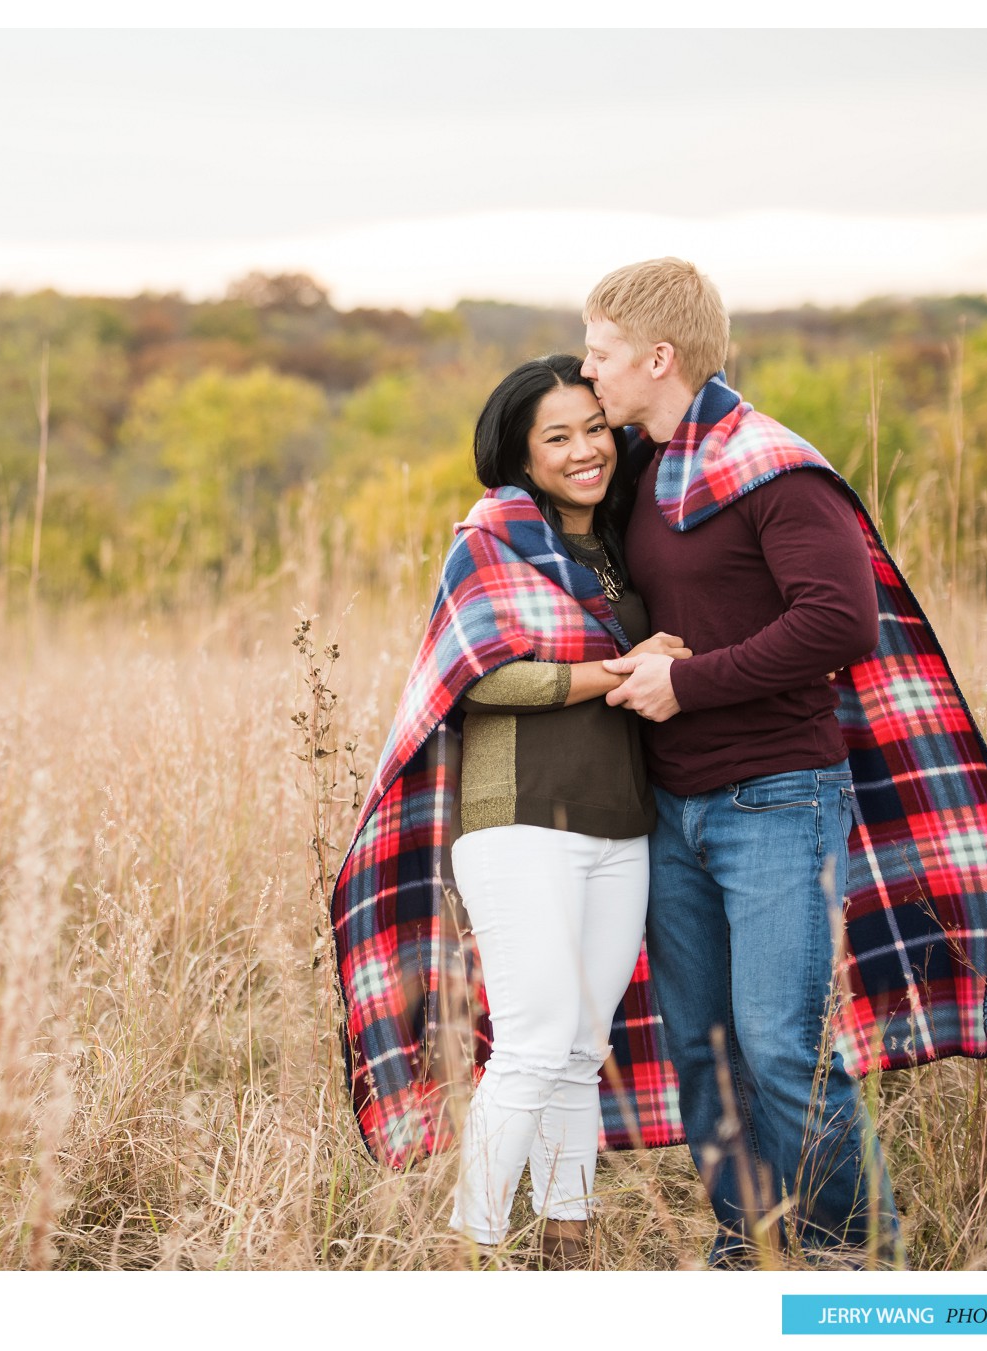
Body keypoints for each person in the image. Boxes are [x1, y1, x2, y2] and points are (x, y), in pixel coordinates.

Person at [580, 257, 987, 1266]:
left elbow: (840, 620)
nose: (589, 370)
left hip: (777, 796)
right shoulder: (648, 470)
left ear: (659, 355)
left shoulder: (773, 467)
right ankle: (753, 1247)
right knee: (703, 1045)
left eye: (602, 354)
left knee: (782, 1043)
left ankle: (854, 1257)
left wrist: (685, 685)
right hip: (671, 801)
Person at [329, 354, 688, 1267]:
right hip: (520, 823)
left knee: (581, 1043)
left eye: (594, 428)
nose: (583, 451)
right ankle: (470, 1248)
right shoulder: (491, 536)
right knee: (532, 1038)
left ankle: (567, 1236)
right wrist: (627, 668)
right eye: (556, 437)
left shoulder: (617, 546)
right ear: (522, 456)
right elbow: (485, 677)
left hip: (618, 824)